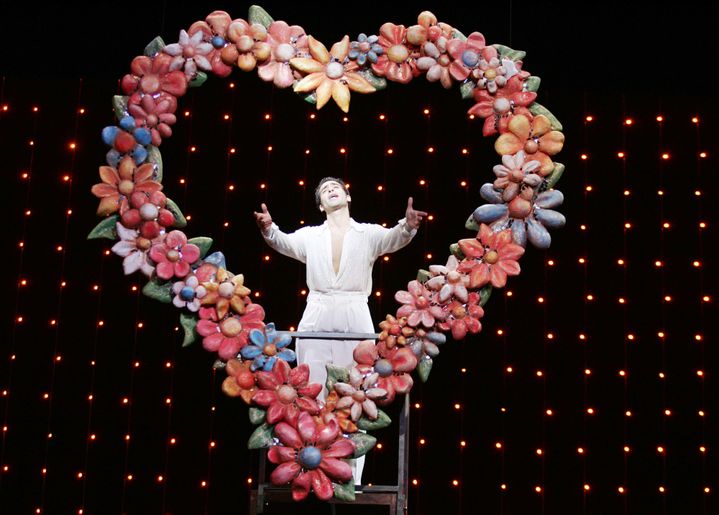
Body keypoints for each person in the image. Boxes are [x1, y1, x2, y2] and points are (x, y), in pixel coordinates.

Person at [254, 177, 426, 484]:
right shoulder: (310, 236)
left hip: (355, 310)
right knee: (312, 390)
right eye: (324, 191)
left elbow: (393, 238)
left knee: (355, 394)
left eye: (336, 187)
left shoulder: (367, 234)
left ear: (347, 196)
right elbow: (283, 241)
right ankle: (311, 472)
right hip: (318, 309)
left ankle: (350, 479)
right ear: (321, 205)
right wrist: (269, 229)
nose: (331, 190)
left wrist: (408, 226)